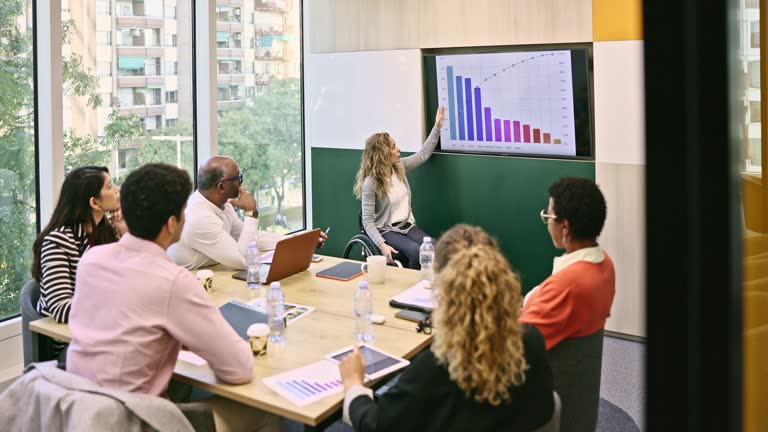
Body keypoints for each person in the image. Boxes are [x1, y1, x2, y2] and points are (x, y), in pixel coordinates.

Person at [66, 163, 281, 432]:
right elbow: (239, 368)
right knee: (265, 409)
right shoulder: (173, 281)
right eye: (182, 212)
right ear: (171, 223)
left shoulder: (91, 261)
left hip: (79, 410)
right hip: (134, 421)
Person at [339, 224, 555, 432]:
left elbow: (376, 425)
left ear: (443, 288)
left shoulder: (436, 368)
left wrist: (354, 385)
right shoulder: (531, 341)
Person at [168, 156, 325, 270]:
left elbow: (247, 238)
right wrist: (251, 212)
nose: (241, 183)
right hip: (194, 285)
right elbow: (244, 259)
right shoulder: (199, 218)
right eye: (238, 178)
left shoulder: (222, 204)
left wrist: (298, 241)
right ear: (221, 187)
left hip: (216, 275)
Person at [521, 177, 616, 350]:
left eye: (548, 216)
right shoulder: (605, 264)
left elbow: (516, 346)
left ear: (564, 227)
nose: (547, 222)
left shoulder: (565, 287)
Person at [32, 166, 127, 324]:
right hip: (66, 338)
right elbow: (61, 309)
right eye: (110, 186)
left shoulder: (107, 231)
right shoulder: (57, 241)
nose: (117, 189)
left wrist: (124, 231)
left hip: (103, 327)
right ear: (94, 202)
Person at [353, 107, 445, 268]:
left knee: (434, 247)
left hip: (407, 226)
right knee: (416, 252)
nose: (398, 149)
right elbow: (368, 222)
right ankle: (410, 291)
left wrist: (437, 127)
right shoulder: (371, 182)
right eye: (394, 147)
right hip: (386, 231)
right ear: (383, 154)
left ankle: (426, 287)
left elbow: (423, 154)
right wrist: (382, 245)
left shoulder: (400, 167)